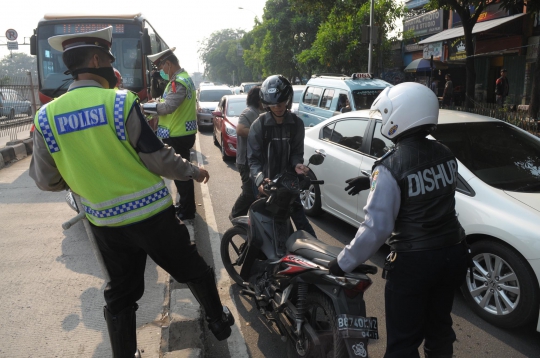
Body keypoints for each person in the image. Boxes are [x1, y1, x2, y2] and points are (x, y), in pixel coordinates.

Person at [28, 27, 234, 358]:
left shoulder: (46, 117)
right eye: (110, 60)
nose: (112, 68)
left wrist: (84, 178)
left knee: (122, 295)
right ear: (96, 60)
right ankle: (219, 322)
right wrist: (193, 171)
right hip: (152, 217)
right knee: (192, 269)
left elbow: (46, 180)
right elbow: (159, 159)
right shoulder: (120, 102)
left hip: (105, 225)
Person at [328, 82, 468, 358]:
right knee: (439, 329)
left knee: (403, 343)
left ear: (399, 116)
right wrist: (372, 180)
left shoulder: (390, 166)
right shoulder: (445, 153)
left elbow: (376, 228)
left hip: (415, 263)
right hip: (454, 253)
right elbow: (424, 188)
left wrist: (343, 262)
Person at [247, 75, 317, 237]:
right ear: (266, 104)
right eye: (273, 104)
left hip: (288, 184)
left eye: (281, 102)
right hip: (265, 185)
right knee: (263, 231)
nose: (278, 107)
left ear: (288, 100)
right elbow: (253, 160)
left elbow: (296, 153)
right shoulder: (259, 125)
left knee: (303, 225)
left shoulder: (297, 124)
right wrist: (259, 180)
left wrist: (297, 165)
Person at [144, 48, 198, 220]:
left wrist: (144, 108)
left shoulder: (179, 82)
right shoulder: (180, 80)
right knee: (181, 172)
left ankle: (187, 210)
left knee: (181, 173)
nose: (161, 72)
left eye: (161, 67)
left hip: (177, 134)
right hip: (180, 132)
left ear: (168, 63)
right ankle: (185, 206)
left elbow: (169, 107)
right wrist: (156, 103)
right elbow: (169, 102)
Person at [229, 86, 264, 219]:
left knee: (257, 192)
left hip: (255, 160)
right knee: (249, 192)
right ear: (258, 99)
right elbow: (240, 130)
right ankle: (235, 215)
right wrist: (260, 134)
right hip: (245, 161)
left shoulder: (259, 112)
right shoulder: (249, 112)